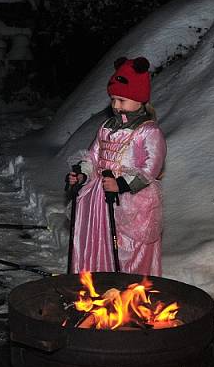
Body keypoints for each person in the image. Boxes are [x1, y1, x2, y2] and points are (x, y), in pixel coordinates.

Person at [66, 56, 167, 276]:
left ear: (139, 98)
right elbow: (93, 156)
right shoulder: (106, 127)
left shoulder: (148, 132)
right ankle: (100, 288)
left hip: (131, 201)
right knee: (99, 244)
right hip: (100, 202)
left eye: (121, 100)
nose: (115, 105)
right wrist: (82, 175)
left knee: (128, 252)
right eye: (113, 100)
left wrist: (121, 184)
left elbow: (151, 168)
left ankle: (131, 295)